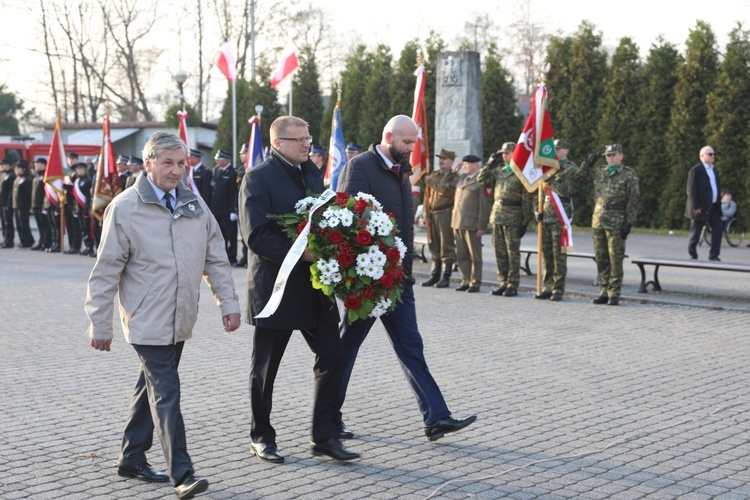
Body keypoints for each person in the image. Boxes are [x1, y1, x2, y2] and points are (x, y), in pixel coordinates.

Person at [85, 131, 240, 499]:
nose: (176, 171)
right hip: (145, 319)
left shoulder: (194, 205)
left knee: (150, 387)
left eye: (181, 163)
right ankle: (182, 474)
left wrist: (229, 304)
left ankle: (131, 457)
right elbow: (105, 271)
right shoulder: (124, 208)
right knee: (167, 392)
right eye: (167, 163)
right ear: (148, 163)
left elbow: (215, 259)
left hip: (180, 318)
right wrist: (100, 323)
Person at [336, 114, 476, 442]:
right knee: (345, 349)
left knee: (412, 347)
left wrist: (406, 271)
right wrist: (359, 275)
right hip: (369, 282)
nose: (412, 148)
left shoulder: (401, 169)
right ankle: (328, 418)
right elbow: (347, 220)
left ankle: (437, 418)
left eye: (414, 143)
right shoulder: (361, 167)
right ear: (388, 136)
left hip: (399, 280)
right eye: (406, 142)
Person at [238, 115, 358, 463]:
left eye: (308, 137)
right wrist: (301, 253)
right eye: (299, 139)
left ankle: (323, 435)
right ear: (278, 143)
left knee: (333, 355)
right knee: (265, 369)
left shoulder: (311, 173)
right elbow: (256, 235)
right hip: (275, 288)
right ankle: (261, 435)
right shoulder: (257, 178)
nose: (307, 144)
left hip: (313, 286)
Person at [577, 144, 639, 306]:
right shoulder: (599, 172)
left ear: (621, 156)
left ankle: (614, 292)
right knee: (601, 257)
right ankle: (603, 290)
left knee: (615, 258)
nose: (610, 158)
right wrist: (587, 164)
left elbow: (633, 200)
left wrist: (629, 222)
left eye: (613, 155)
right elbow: (579, 179)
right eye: (607, 155)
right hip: (599, 219)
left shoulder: (628, 175)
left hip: (616, 220)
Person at [477, 142, 534, 297]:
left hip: (513, 216)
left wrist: (525, 221)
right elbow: (481, 179)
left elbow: (527, 199)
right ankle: (503, 282)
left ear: (515, 153)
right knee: (499, 251)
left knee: (512, 252)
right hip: (497, 215)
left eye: (507, 153)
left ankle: (513, 284)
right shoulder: (499, 170)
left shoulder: (522, 173)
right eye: (503, 153)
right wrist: (489, 163)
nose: (504, 155)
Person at [535, 139, 579, 301]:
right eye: (554, 148)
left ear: (565, 151)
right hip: (545, 215)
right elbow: (537, 192)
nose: (555, 151)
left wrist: (549, 180)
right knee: (546, 254)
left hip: (560, 216)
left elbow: (566, 190)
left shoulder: (570, 169)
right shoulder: (546, 168)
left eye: (558, 149)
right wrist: (536, 210)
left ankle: (558, 288)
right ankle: (547, 286)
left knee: (558, 254)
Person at [451, 154, 491, 293]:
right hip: (457, 222)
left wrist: (482, 225)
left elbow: (484, 205)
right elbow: (446, 184)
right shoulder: (461, 178)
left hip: (472, 224)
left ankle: (475, 282)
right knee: (461, 255)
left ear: (476, 165)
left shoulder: (481, 181)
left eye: (467, 163)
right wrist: (454, 172)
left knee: (475, 256)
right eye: (463, 163)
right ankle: (465, 280)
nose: (464, 166)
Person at [421, 148, 459, 288]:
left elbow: (446, 190)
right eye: (440, 158)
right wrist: (426, 213)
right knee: (434, 245)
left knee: (446, 245)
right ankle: (434, 275)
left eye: (444, 159)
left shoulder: (454, 177)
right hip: (433, 214)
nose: (441, 161)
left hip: (446, 214)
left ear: (451, 161)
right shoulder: (434, 175)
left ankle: (446, 276)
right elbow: (427, 196)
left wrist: (430, 182)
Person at [685, 146, 721, 261]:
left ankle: (714, 255)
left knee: (718, 229)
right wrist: (696, 206)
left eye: (713, 154)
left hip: (713, 206)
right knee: (696, 231)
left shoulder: (713, 169)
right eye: (710, 154)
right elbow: (691, 190)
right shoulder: (696, 170)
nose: (712, 156)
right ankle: (693, 253)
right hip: (700, 207)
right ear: (702, 156)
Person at [210, 150, 238, 265]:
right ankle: (223, 256)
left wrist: (234, 210)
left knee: (231, 235)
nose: (217, 161)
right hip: (217, 209)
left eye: (219, 159)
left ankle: (232, 257)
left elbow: (234, 192)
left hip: (228, 210)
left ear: (226, 160)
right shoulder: (216, 170)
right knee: (220, 235)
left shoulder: (233, 172)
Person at [31, 158, 52, 251]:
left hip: (42, 205)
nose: (35, 165)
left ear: (43, 164)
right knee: (40, 225)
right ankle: (41, 241)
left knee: (45, 225)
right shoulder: (36, 176)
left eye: (37, 163)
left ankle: (47, 242)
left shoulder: (45, 176)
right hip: (36, 205)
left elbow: (46, 193)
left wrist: (45, 206)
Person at [12, 160, 34, 248]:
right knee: (18, 224)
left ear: (24, 169)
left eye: (18, 168)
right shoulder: (17, 179)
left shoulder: (27, 179)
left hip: (23, 205)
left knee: (23, 223)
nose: (16, 170)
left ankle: (26, 241)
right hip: (16, 205)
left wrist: (30, 206)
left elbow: (29, 194)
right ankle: (24, 239)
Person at [0, 158, 16, 248]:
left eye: (3, 164)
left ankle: (9, 241)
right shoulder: (3, 175)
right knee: (3, 222)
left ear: (8, 165)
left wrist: (9, 204)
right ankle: (5, 239)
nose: (1, 166)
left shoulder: (11, 175)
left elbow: (11, 192)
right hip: (2, 202)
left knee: (8, 222)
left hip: (7, 202)